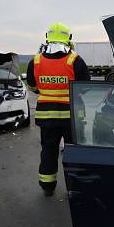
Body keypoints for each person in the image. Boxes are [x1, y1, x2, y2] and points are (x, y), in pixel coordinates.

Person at [25, 22, 90, 196]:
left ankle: (47, 186)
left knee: (48, 150)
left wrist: (46, 90)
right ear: (68, 38)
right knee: (75, 152)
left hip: (47, 117)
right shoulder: (75, 60)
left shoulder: (36, 61)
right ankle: (76, 186)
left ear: (47, 37)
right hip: (72, 117)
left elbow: (31, 86)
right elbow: (85, 87)